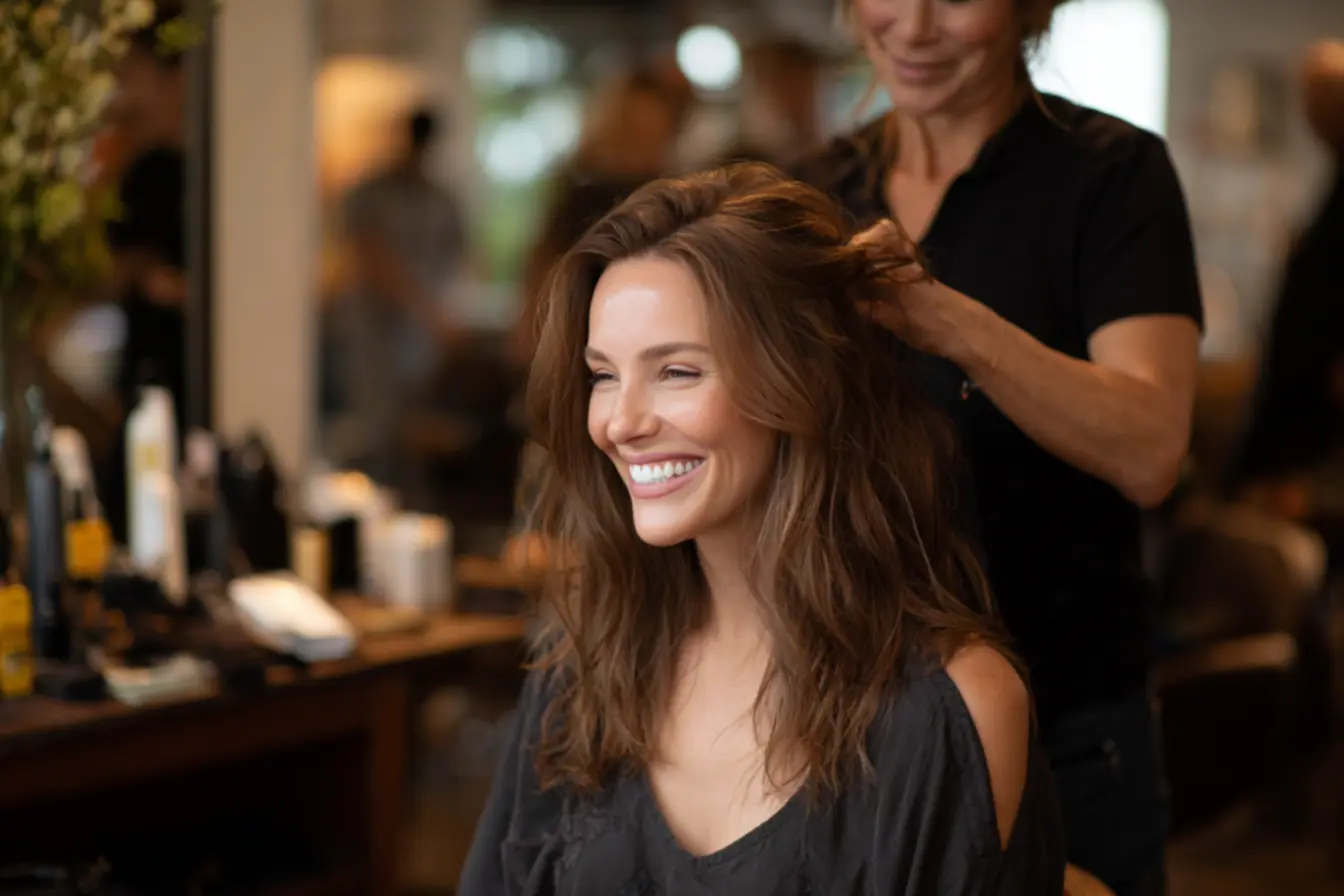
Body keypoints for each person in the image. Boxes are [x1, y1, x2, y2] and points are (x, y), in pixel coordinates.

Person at [460, 164, 1065, 894]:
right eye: (604, 375)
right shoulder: (581, 664)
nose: (621, 422)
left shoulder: (947, 714)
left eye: (677, 372)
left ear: (804, 382)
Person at [792, 2, 1203, 893]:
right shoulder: (813, 190)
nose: (913, 25)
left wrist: (952, 323)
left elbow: (1149, 447)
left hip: (1067, 725)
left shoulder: (1111, 174)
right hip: (844, 725)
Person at [1226, 39, 1344, 534]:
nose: (1310, 114)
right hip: (1289, 427)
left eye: (1323, 99)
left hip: (1316, 450)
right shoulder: (1332, 184)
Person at [338, 106, 468, 494]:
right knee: (376, 436)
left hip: (421, 342)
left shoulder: (442, 200)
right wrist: (428, 312)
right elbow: (372, 257)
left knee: (418, 436)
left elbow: (457, 260)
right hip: (372, 336)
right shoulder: (370, 194)